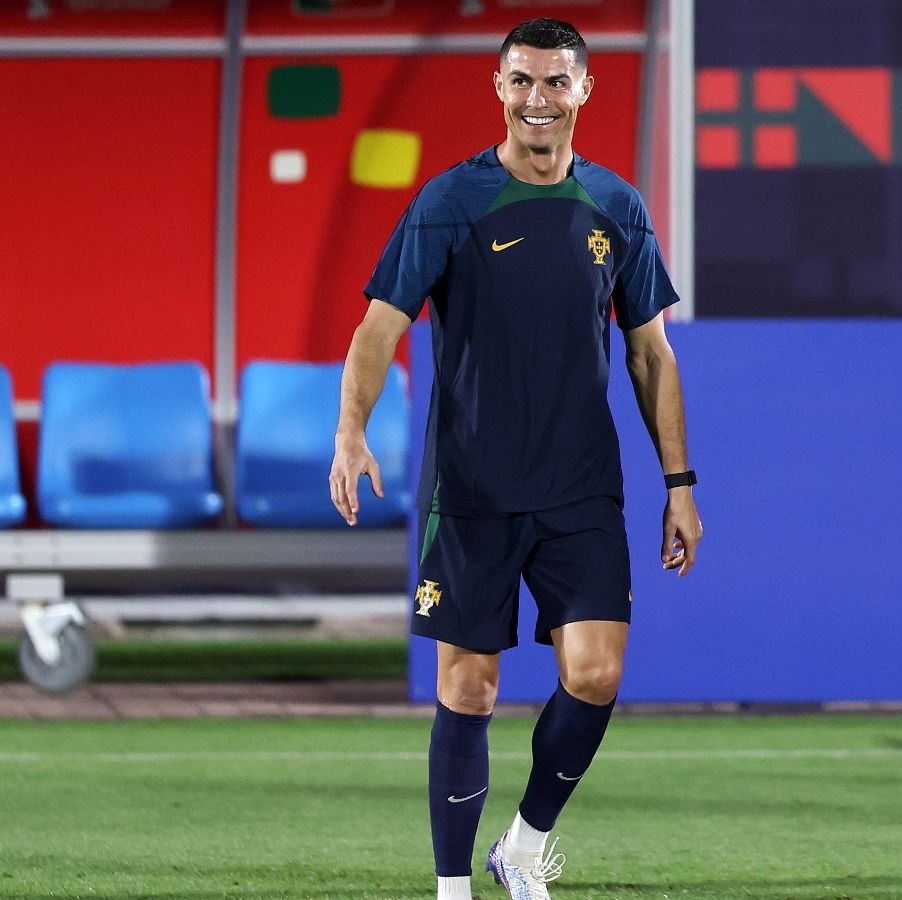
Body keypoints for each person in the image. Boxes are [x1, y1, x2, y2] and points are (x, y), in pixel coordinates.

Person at [328, 18, 703, 900]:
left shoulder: (618, 206)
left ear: (584, 91)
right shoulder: (450, 201)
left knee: (597, 673)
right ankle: (453, 887)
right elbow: (379, 327)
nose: (538, 99)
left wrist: (680, 483)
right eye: (522, 82)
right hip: (471, 489)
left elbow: (653, 356)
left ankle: (525, 844)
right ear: (499, 88)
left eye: (555, 82)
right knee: (469, 688)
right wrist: (351, 431)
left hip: (580, 486)